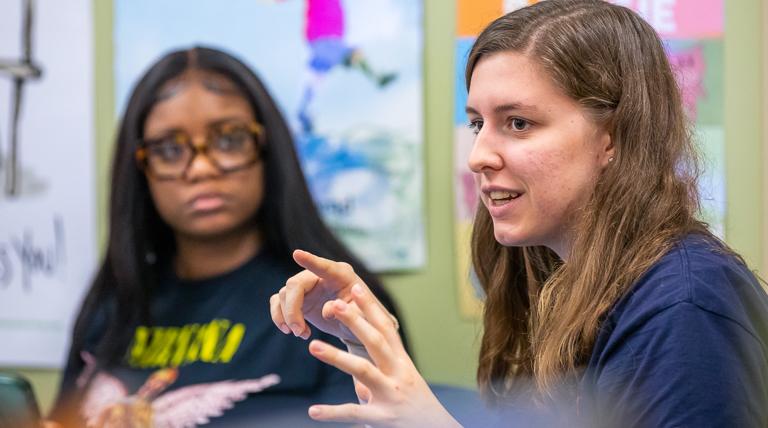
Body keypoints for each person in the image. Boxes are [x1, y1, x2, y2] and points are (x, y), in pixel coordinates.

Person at [270, 1, 768, 427]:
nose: (478, 156)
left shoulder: (687, 305)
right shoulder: (557, 277)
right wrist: (368, 344)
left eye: (519, 123)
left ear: (613, 137)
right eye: (476, 123)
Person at [48, 45, 406, 427]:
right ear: (141, 168)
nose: (201, 168)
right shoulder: (111, 305)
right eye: (169, 149)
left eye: (229, 140)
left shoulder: (328, 304)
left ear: (268, 148)